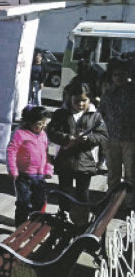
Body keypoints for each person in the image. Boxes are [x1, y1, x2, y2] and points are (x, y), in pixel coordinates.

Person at [47, 81, 108, 217]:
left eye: (84, 100)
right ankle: (63, 217)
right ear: (70, 98)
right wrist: (67, 138)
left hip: (85, 162)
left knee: (82, 194)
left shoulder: (95, 116)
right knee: (64, 192)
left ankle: (82, 221)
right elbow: (51, 131)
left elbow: (103, 136)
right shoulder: (61, 113)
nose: (80, 104)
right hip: (65, 162)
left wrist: (89, 138)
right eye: (76, 100)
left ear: (89, 99)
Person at [99, 57, 135, 211]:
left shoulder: (132, 91)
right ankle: (111, 203)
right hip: (111, 139)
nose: (119, 77)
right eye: (116, 75)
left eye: (122, 74)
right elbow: (102, 115)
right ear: (111, 76)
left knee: (131, 174)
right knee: (113, 174)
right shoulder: (107, 94)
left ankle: (130, 203)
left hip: (130, 140)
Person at [6, 106, 53, 226]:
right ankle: (20, 227)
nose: (42, 127)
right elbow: (11, 151)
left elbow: (46, 153)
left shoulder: (42, 135)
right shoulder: (20, 133)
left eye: (44, 124)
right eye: (39, 124)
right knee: (24, 203)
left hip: (39, 176)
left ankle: (35, 226)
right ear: (30, 122)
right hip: (23, 176)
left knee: (40, 202)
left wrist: (48, 169)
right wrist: (13, 170)